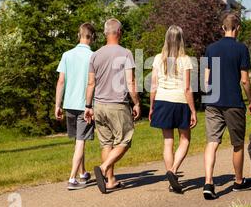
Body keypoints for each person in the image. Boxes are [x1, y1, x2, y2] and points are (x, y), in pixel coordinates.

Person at [202, 13, 251, 200]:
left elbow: (206, 79)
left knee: (212, 142)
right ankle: (239, 181)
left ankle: (208, 182)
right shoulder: (242, 49)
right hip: (233, 102)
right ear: (238, 28)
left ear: (222, 28)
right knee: (238, 144)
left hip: (212, 102)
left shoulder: (210, 48)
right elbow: (245, 80)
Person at [85, 18, 141, 194]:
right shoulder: (125, 53)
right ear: (120, 32)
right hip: (117, 105)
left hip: (99, 105)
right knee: (125, 140)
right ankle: (103, 168)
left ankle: (110, 180)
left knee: (106, 143)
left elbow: (91, 84)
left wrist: (88, 106)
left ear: (104, 33)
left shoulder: (95, 55)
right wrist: (137, 103)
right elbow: (130, 81)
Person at [149, 26, 197, 193]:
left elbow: (153, 85)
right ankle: (173, 171)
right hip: (180, 102)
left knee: (168, 142)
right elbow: (187, 88)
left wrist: (152, 106)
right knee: (185, 139)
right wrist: (193, 111)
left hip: (162, 101)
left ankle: (172, 179)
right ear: (181, 40)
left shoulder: (157, 59)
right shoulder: (185, 60)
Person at [55, 23, 96, 190]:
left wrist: (57, 104)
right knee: (81, 141)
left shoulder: (67, 55)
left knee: (79, 140)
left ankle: (83, 172)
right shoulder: (93, 56)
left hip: (69, 104)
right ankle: (72, 178)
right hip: (84, 105)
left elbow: (61, 81)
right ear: (92, 37)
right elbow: (94, 82)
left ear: (79, 35)